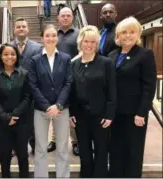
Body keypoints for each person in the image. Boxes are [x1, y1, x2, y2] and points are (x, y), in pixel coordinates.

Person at [109, 16, 157, 178]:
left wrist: (142, 112)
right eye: (124, 32)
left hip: (134, 114)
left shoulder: (145, 54)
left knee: (133, 151)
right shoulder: (112, 55)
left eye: (132, 32)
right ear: (118, 35)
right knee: (116, 149)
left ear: (138, 34)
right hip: (115, 113)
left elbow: (149, 86)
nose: (127, 35)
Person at [69, 25, 116, 178]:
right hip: (80, 117)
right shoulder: (73, 64)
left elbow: (112, 90)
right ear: (80, 43)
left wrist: (109, 114)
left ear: (97, 44)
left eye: (92, 42)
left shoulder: (106, 63)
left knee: (101, 152)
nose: (88, 45)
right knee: (84, 152)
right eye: (85, 41)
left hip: (101, 116)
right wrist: (71, 113)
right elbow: (72, 92)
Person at [28, 24, 71, 178]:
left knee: (62, 147)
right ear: (42, 38)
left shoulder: (65, 59)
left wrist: (58, 104)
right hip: (41, 109)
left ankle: (63, 176)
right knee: (40, 147)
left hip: (62, 108)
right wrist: (47, 106)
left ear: (57, 38)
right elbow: (33, 85)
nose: (51, 38)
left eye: (53, 35)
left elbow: (68, 83)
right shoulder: (35, 60)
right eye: (47, 35)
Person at [0, 44, 31, 178]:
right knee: (4, 155)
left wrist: (15, 114)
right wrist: (5, 117)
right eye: (6, 54)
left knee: (22, 155)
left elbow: (27, 97)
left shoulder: (24, 74)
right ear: (1, 57)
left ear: (17, 56)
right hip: (3, 123)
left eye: (13, 54)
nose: (9, 57)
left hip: (22, 122)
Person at [50, 6, 80, 155]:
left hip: (75, 79)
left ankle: (75, 141)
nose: (66, 18)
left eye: (68, 15)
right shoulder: (54, 35)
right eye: (63, 15)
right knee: (57, 109)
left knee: (73, 110)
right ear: (58, 18)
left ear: (72, 17)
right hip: (57, 79)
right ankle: (54, 140)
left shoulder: (79, 34)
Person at [11, 17, 42, 154]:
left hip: (32, 91)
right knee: (15, 119)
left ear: (28, 29)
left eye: (24, 26)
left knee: (34, 122)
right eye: (18, 27)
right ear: (14, 30)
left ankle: (35, 146)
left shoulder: (37, 47)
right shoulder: (8, 46)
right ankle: (16, 147)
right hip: (13, 91)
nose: (21, 29)